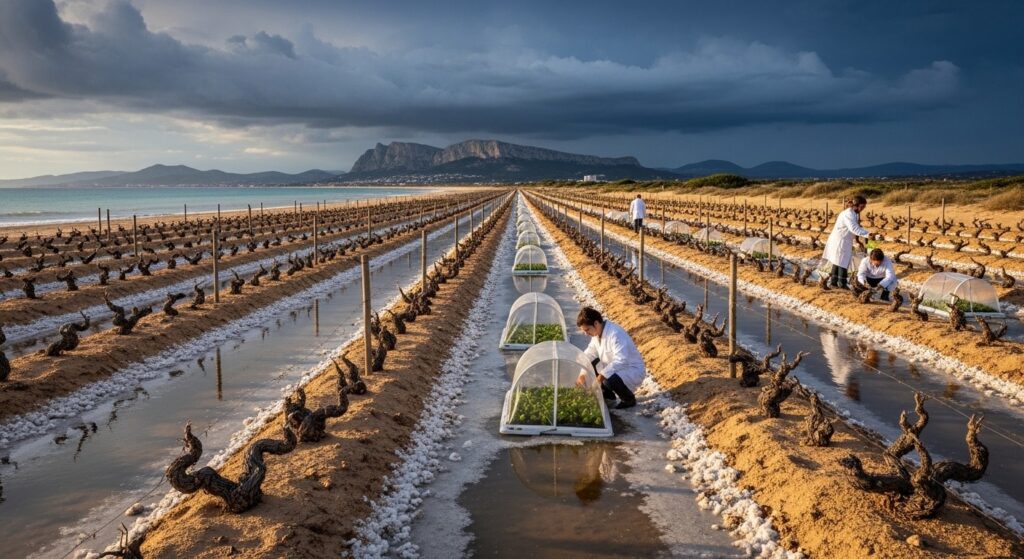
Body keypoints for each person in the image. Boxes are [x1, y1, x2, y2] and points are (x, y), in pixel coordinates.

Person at [575, 307, 646, 409]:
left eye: (587, 330)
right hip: (615, 369)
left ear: (596, 323)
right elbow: (589, 354)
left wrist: (600, 377)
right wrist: (583, 374)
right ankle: (609, 396)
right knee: (593, 362)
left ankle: (628, 399)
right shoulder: (596, 334)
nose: (586, 334)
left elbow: (621, 360)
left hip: (631, 369)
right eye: (584, 331)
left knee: (607, 379)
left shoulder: (615, 334)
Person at [822, 195, 870, 289]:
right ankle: (841, 283)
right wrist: (868, 234)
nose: (863, 209)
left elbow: (856, 227)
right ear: (856, 205)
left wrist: (857, 240)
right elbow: (854, 228)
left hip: (844, 240)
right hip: (840, 240)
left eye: (864, 207)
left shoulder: (853, 214)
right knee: (842, 261)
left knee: (839, 261)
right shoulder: (848, 214)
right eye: (862, 207)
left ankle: (834, 282)